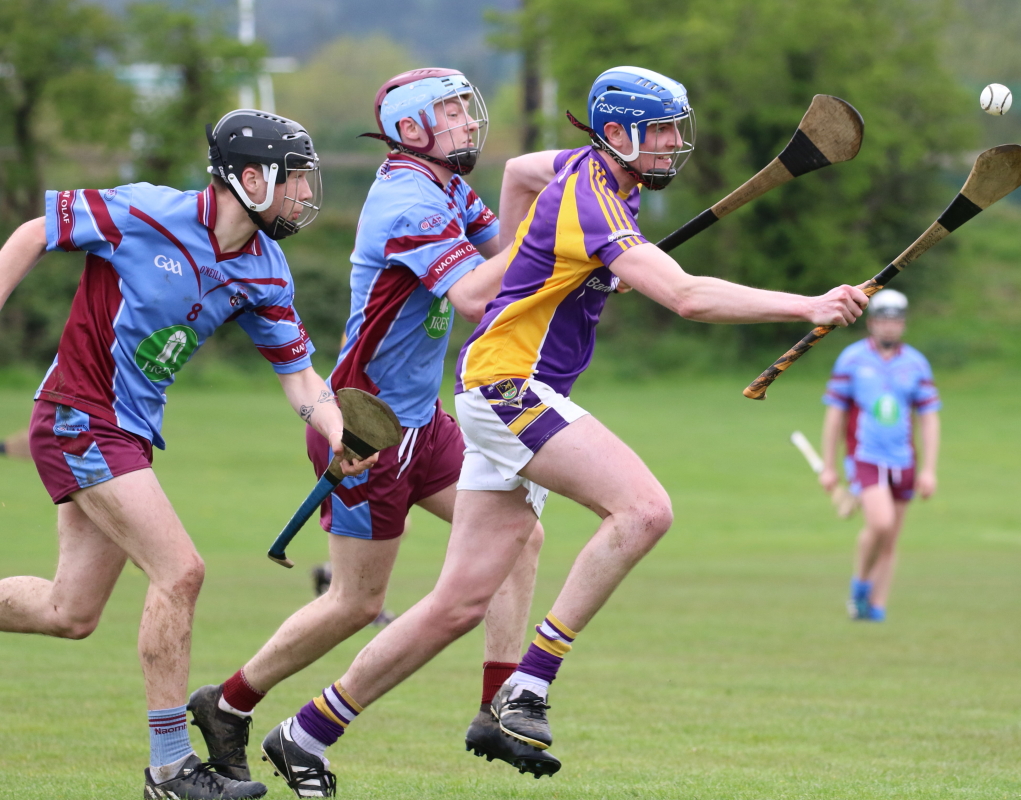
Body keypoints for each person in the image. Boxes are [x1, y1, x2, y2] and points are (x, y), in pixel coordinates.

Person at [257, 65, 868, 796]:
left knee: (455, 606)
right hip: (508, 387)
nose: (675, 145)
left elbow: (518, 168)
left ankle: (306, 733)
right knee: (643, 510)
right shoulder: (591, 194)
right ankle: (529, 686)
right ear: (616, 134)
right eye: (661, 132)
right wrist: (808, 305)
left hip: (496, 389)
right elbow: (683, 295)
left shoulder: (592, 174)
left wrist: (537, 256)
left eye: (678, 129)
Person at [185, 71, 558, 796]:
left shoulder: (448, 189)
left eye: (463, 109)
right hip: (364, 428)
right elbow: (482, 294)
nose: (465, 122)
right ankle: (228, 703)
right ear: (411, 129)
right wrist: (566, 232)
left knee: (521, 535)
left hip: (425, 422)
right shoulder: (408, 200)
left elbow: (509, 251)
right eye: (448, 112)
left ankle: (495, 707)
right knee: (355, 603)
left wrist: (595, 250)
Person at [0, 110, 375, 800]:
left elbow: (298, 378)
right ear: (249, 177)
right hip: (79, 418)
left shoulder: (265, 269)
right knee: (181, 572)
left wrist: (336, 431)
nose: (303, 196)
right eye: (292, 181)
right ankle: (170, 770)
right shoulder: (146, 211)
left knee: (69, 612)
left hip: (130, 435)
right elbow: (35, 230)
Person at [818, 289, 941, 622]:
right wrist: (829, 465)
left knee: (890, 539)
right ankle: (860, 584)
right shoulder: (853, 359)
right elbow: (835, 415)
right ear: (871, 323)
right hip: (866, 456)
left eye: (896, 321)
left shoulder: (915, 363)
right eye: (883, 320)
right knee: (881, 523)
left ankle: (875, 607)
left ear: (903, 324)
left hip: (903, 459)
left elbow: (929, 418)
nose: (890, 327)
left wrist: (929, 469)